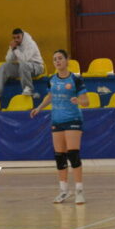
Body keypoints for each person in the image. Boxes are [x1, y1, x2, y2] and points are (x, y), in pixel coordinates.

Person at [30, 50, 89, 204]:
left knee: (73, 153)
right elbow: (50, 96)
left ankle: (79, 190)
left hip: (73, 119)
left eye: (60, 58)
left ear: (67, 60)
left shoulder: (76, 79)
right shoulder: (51, 80)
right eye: (55, 59)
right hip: (57, 120)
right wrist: (39, 108)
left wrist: (79, 100)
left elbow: (86, 101)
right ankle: (64, 190)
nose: (57, 61)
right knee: (59, 156)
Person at [0, 28, 44, 98]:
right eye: (14, 38)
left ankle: (28, 89)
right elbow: (8, 60)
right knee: (4, 66)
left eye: (18, 37)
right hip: (23, 68)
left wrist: (15, 49)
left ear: (23, 36)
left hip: (37, 67)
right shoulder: (14, 45)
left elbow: (25, 59)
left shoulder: (30, 44)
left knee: (23, 65)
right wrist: (12, 49)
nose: (16, 40)